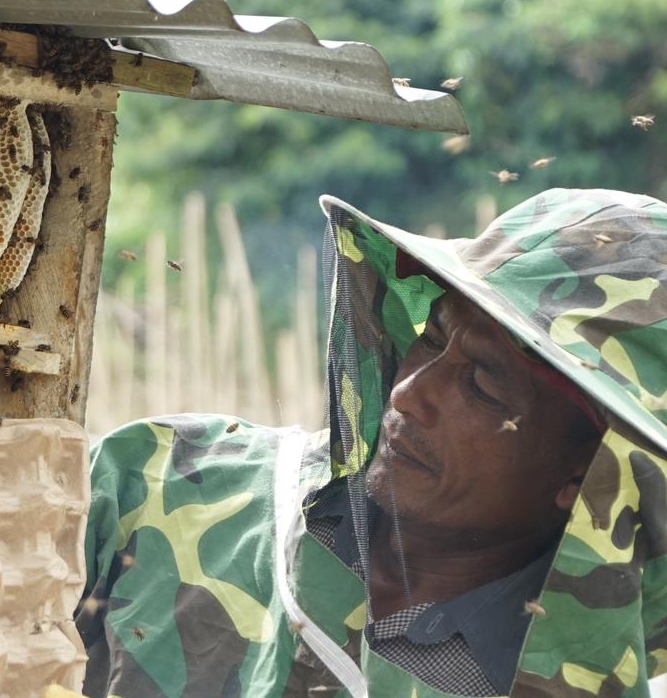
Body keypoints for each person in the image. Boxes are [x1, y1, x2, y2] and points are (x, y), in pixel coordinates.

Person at [75, 188, 667, 697]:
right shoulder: (148, 483)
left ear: (589, 475)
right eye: (432, 338)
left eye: (484, 385)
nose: (408, 394)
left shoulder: (542, 676)